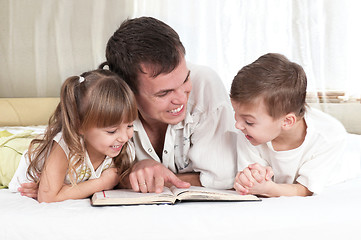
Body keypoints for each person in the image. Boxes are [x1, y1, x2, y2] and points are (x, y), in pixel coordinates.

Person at [102, 16, 237, 193]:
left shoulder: (205, 84)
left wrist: (131, 178)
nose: (181, 99)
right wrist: (132, 173)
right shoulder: (103, 98)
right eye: (164, 93)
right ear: (127, 91)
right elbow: (88, 175)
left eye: (185, 80)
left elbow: (223, 177)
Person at [231, 53, 359, 197]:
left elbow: (305, 189)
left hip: (343, 164)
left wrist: (268, 189)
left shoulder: (329, 136)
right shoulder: (249, 133)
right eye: (235, 113)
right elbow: (251, 180)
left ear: (286, 121)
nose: (238, 125)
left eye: (248, 121)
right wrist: (250, 178)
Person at [9, 69, 138, 202]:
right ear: (80, 125)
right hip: (11, 157)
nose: (124, 137)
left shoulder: (122, 148)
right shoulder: (65, 146)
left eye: (129, 125)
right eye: (112, 131)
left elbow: (118, 179)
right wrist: (103, 183)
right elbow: (48, 197)